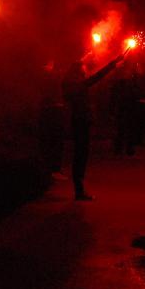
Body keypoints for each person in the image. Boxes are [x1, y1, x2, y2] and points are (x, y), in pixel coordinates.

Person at [62, 51, 125, 200]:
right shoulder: (77, 85)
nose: (85, 70)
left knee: (81, 155)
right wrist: (113, 64)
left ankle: (79, 189)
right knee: (80, 155)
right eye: (83, 68)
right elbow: (96, 77)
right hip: (80, 122)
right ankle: (79, 190)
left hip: (80, 121)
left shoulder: (72, 84)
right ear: (77, 71)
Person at [38, 61, 66, 181]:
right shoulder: (47, 80)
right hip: (50, 112)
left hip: (55, 111)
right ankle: (51, 170)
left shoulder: (54, 79)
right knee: (51, 142)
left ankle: (54, 169)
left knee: (56, 142)